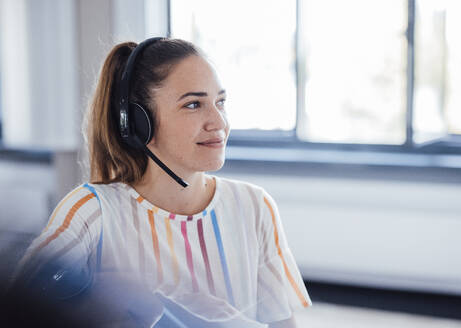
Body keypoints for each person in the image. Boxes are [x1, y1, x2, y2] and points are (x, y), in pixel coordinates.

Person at [13, 37, 311, 327]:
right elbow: (19, 303)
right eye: (194, 104)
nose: (219, 122)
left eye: (220, 102)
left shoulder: (254, 206)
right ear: (139, 123)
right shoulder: (93, 210)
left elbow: (282, 323)